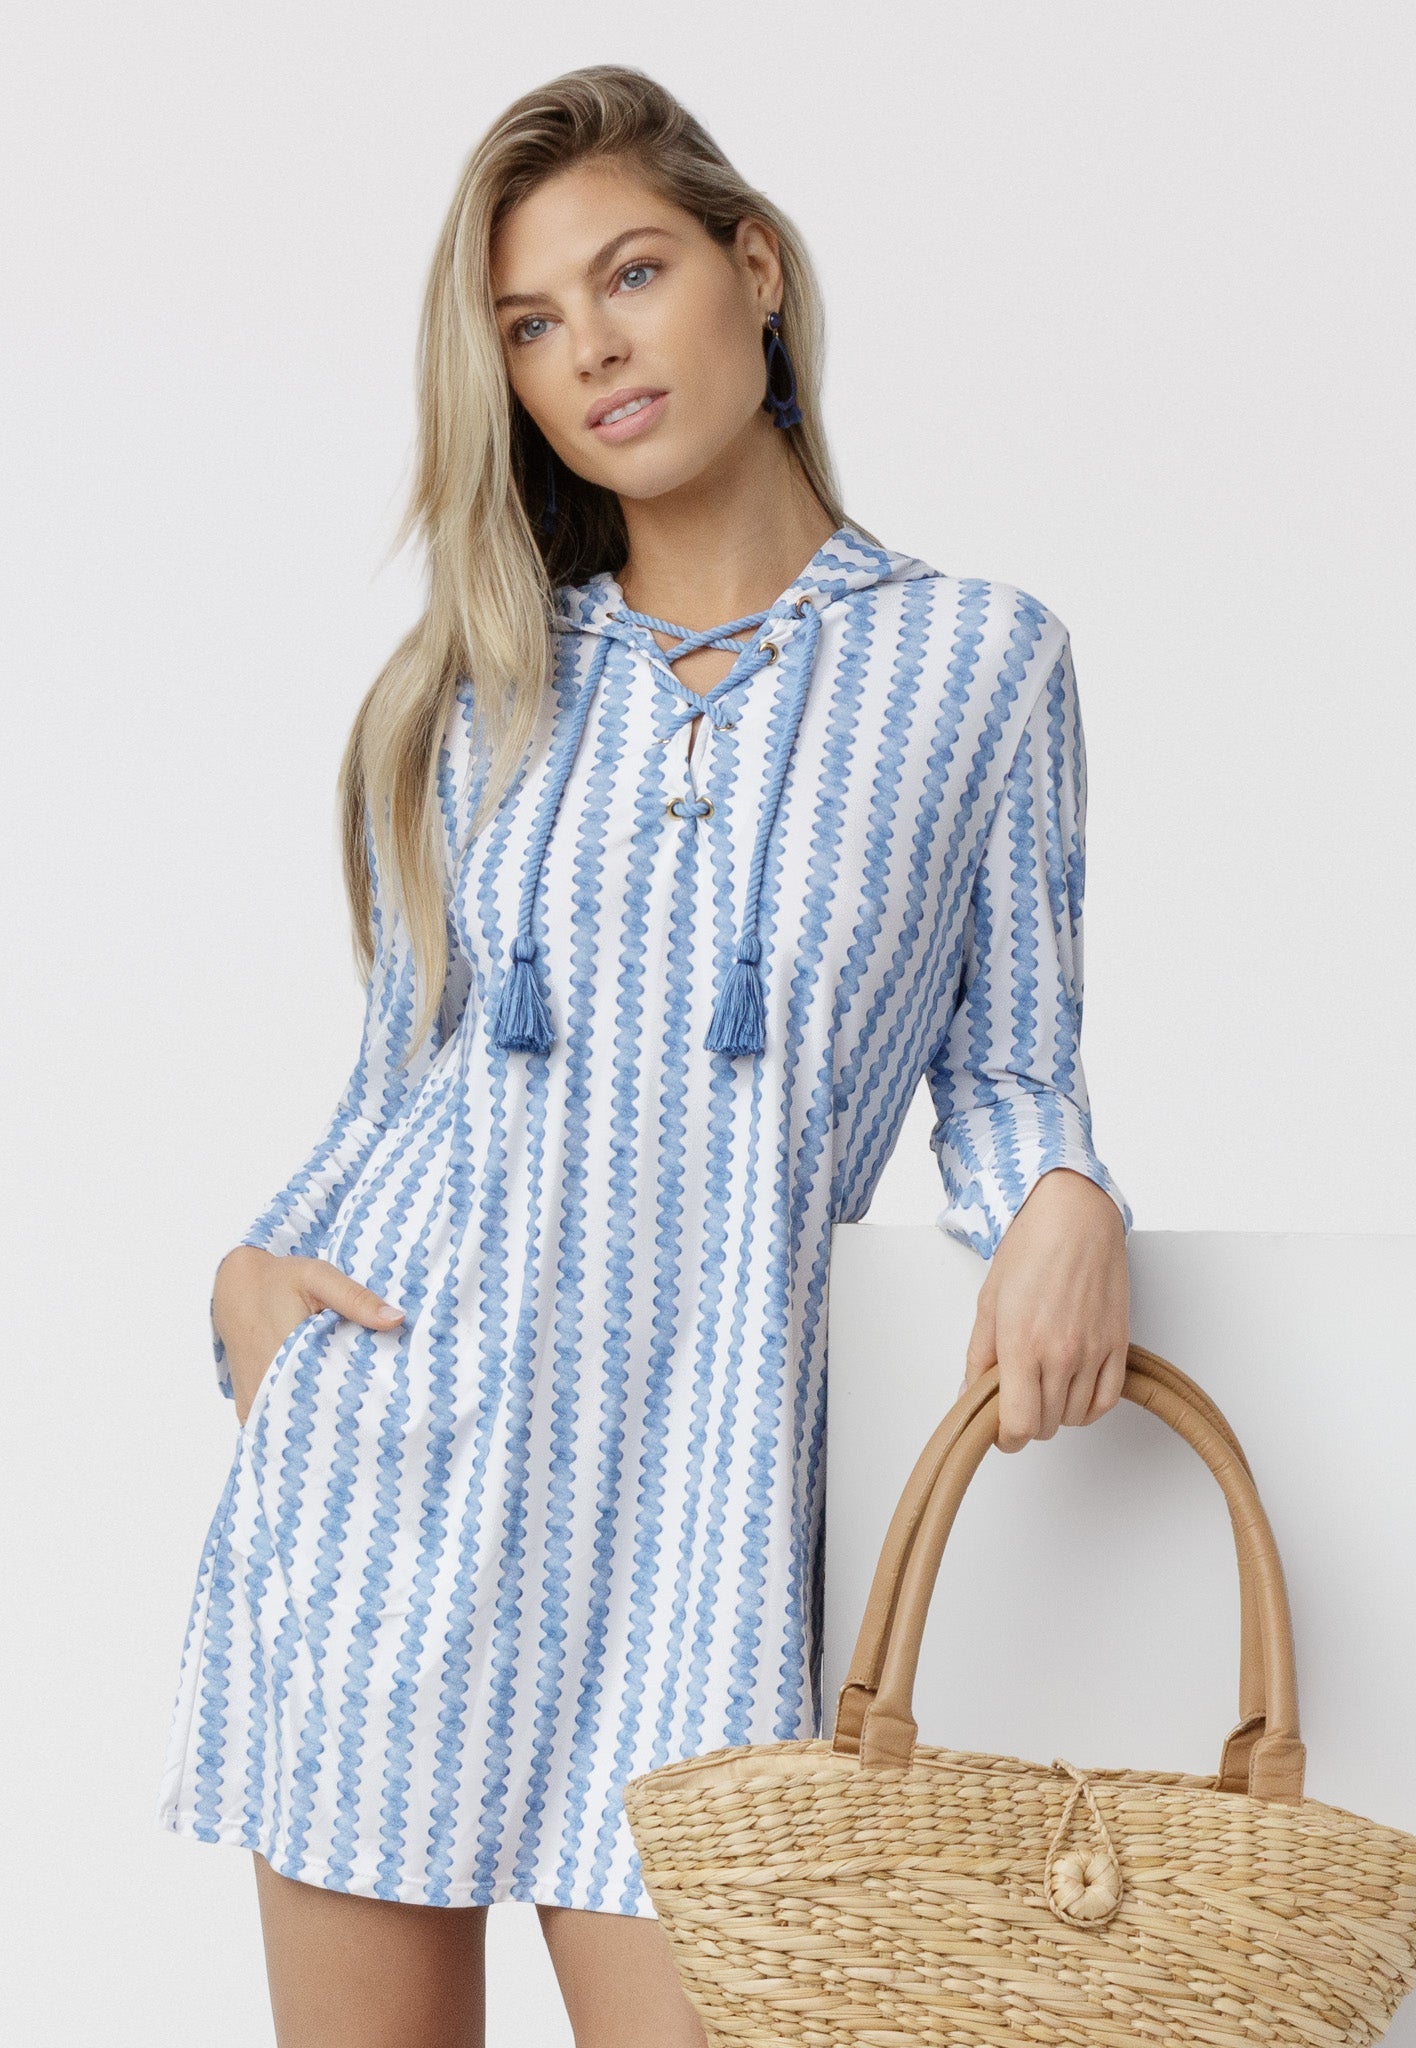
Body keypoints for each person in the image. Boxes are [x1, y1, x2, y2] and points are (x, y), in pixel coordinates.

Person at [156, 62, 1133, 2048]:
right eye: (529, 322)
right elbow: (391, 1098)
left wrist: (1069, 1195)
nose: (589, 346)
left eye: (632, 273)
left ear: (750, 270)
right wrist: (253, 1295)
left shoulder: (976, 661)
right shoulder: (472, 696)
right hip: (396, 1490)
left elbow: (1013, 1067)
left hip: (704, 1534)